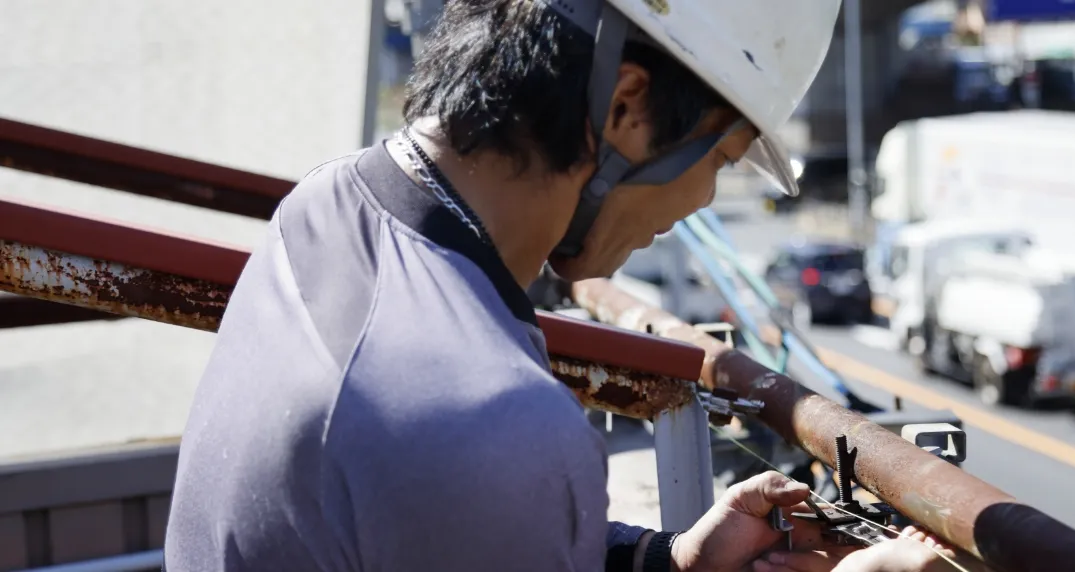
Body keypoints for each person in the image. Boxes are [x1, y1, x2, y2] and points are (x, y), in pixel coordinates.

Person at [163, 0, 954, 570]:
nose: (706, 199)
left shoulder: (329, 205)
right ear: (626, 105)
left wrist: (667, 563)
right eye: (718, 157)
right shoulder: (485, 416)